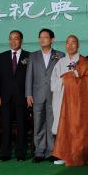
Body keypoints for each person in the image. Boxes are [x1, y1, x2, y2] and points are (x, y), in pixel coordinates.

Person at [50, 35, 88, 166]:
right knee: (63, 128)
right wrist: (66, 79)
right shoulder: (60, 62)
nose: (70, 45)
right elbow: (53, 83)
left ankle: (78, 154)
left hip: (78, 103)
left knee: (77, 128)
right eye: (68, 43)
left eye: (73, 43)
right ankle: (63, 154)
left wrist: (73, 78)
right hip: (62, 100)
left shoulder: (83, 62)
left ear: (78, 45)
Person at [25, 28, 64, 163]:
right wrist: (28, 94)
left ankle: (52, 151)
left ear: (52, 40)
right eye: (40, 37)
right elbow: (29, 76)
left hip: (54, 94)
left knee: (53, 124)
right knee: (39, 123)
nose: (42, 40)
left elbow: (63, 76)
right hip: (37, 95)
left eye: (45, 37)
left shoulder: (60, 55)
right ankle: (39, 151)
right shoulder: (33, 56)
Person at [0, 30, 30, 162]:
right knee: (5, 126)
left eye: (16, 38)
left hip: (22, 97)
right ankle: (5, 153)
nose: (13, 41)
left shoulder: (28, 56)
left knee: (22, 126)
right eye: (11, 38)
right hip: (5, 97)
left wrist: (29, 95)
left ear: (21, 40)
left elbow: (31, 78)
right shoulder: (2, 57)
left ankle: (21, 154)